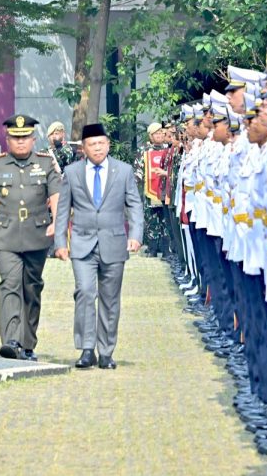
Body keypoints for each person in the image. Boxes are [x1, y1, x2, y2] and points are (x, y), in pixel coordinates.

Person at [54, 123, 143, 370]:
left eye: (101, 143)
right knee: (84, 292)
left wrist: (136, 234)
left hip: (114, 242)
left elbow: (135, 204)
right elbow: (63, 210)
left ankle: (106, 351)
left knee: (110, 299)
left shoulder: (123, 171)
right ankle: (86, 349)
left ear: (108, 145)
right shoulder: (72, 172)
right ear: (83, 148)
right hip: (82, 243)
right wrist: (60, 242)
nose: (97, 148)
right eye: (92, 144)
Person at [0, 114, 60, 362]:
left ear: (33, 139)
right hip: (6, 238)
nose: (21, 141)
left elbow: (56, 196)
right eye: (16, 137)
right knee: (10, 284)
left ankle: (27, 344)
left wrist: (57, 223)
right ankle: (11, 341)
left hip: (37, 236)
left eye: (25, 137)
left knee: (32, 289)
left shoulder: (46, 163)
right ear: (7, 139)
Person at [134, 122, 170, 257]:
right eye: (156, 133)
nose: (159, 135)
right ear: (150, 136)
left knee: (166, 220)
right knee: (152, 220)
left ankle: (166, 250)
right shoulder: (144, 150)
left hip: (166, 191)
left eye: (161, 133)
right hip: (150, 192)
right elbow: (138, 170)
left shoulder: (169, 148)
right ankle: (152, 248)